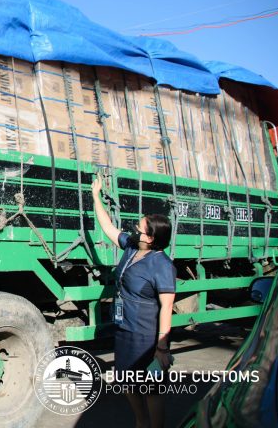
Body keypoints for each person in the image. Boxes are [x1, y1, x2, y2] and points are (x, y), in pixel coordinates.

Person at [91, 176, 176, 428]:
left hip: (146, 337)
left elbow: (167, 307)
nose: (134, 229)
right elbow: (108, 228)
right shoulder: (131, 247)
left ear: (150, 238)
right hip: (124, 330)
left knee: (151, 388)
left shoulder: (162, 265)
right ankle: (141, 422)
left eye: (139, 228)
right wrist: (96, 196)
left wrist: (162, 347)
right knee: (126, 381)